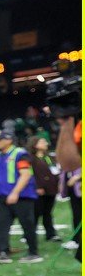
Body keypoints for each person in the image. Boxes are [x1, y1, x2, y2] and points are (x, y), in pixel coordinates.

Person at [0, 130, 41, 264]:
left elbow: (25, 174)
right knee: (1, 225)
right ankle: (3, 252)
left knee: (27, 224)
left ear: (8, 140)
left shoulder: (20, 154)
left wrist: (15, 192)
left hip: (21, 196)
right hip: (2, 196)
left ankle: (33, 252)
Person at [53, 111, 81, 260]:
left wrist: (78, 176)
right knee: (76, 214)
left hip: (78, 186)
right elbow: (65, 162)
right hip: (74, 190)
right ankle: (77, 239)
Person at [28, 135, 60, 243]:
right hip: (38, 191)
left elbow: (54, 172)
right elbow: (30, 175)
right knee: (35, 213)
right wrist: (37, 187)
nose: (46, 143)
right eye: (42, 142)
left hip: (51, 190)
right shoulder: (30, 159)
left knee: (47, 213)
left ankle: (50, 234)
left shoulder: (48, 158)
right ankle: (30, 234)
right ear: (35, 145)